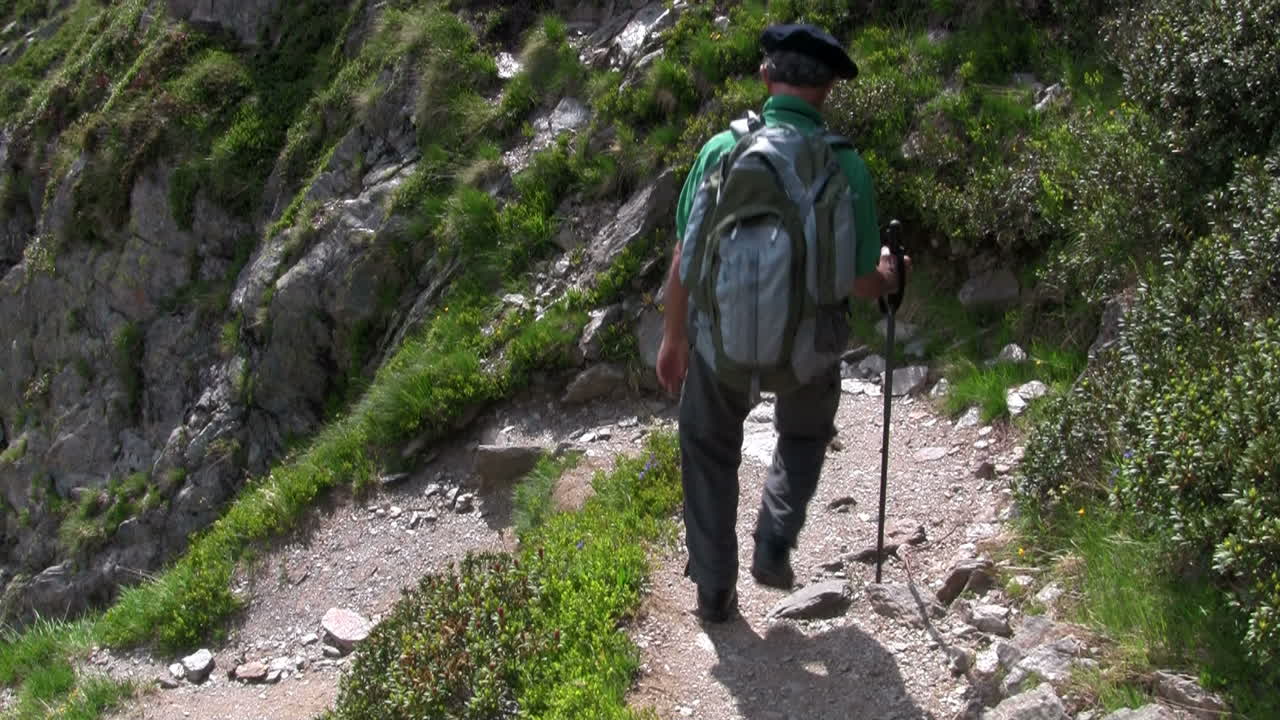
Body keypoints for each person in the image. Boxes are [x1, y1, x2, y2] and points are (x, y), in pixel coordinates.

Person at [656, 23, 907, 622]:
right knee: (802, 435)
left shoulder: (721, 151)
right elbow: (862, 282)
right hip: (809, 352)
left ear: (766, 77)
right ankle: (774, 539)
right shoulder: (846, 166)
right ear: (826, 90)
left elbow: (684, 256)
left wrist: (673, 337)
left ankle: (714, 589)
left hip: (721, 349)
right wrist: (892, 275)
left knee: (707, 445)